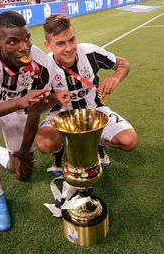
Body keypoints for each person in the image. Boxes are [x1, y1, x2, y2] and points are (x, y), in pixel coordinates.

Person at [0, 11, 70, 232]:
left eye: (27, 38)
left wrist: (24, 151)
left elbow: (35, 109)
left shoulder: (42, 63)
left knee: (23, 174)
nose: (23, 47)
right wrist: (20, 102)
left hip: (20, 108)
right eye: (13, 41)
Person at [35, 14, 138, 174]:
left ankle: (96, 143)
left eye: (72, 40)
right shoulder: (44, 67)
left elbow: (123, 64)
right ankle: (61, 150)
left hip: (95, 111)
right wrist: (54, 97)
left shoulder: (90, 52)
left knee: (129, 141)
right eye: (61, 43)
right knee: (44, 144)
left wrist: (115, 78)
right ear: (48, 45)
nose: (69, 48)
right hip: (61, 116)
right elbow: (38, 106)